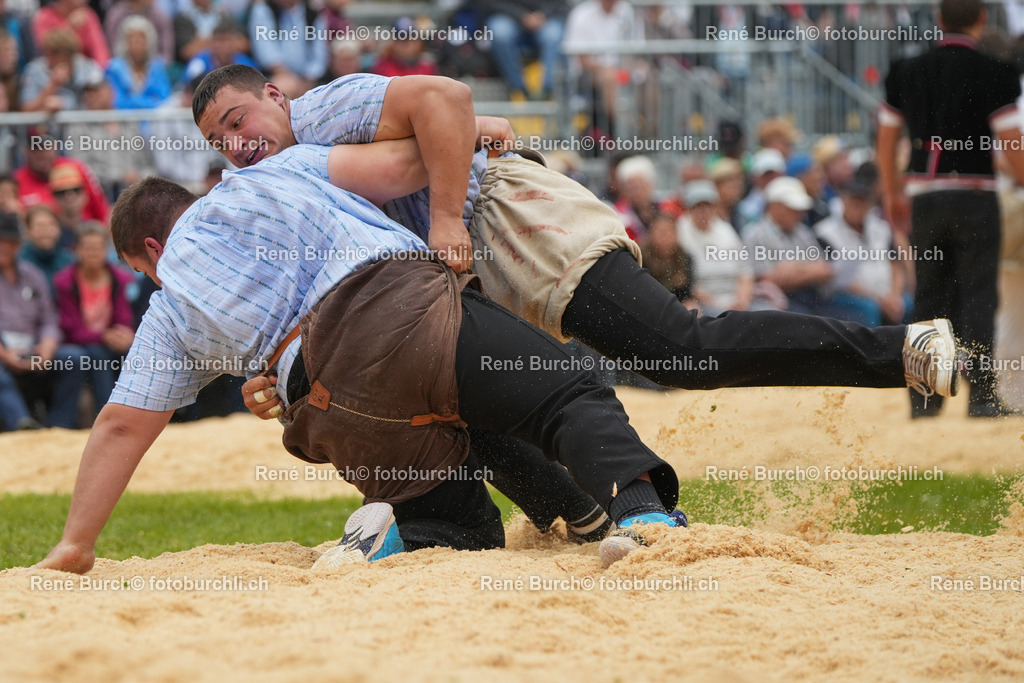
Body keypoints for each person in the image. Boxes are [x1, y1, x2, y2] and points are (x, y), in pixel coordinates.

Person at [33, 148, 687, 575]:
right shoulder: (270, 177)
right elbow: (411, 155)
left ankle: (401, 526)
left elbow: (121, 423)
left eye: (143, 269)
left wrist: (74, 544)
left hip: (330, 409)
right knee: (565, 391)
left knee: (462, 522)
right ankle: (643, 518)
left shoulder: (171, 305)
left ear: (151, 247)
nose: (153, 278)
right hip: (398, 312)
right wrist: (475, 137)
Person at [194, 66, 957, 405]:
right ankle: (609, 506)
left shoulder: (320, 113)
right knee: (481, 396)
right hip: (464, 264)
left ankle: (906, 351)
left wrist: (450, 214)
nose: (238, 142)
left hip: (511, 221)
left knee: (681, 351)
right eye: (220, 141)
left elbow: (447, 94)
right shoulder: (273, 177)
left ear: (273, 94)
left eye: (238, 120)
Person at [877, 0, 1024, 418]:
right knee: (978, 295)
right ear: (982, 19)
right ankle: (981, 398)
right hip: (976, 197)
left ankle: (924, 401)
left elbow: (887, 141)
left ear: (938, 20)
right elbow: (1011, 144)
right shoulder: (995, 72)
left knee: (929, 298)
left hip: (924, 197)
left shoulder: (907, 71)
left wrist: (892, 193)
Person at [51, 223, 136, 428]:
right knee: (96, 355)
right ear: (77, 250)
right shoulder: (65, 282)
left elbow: (123, 316)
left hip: (108, 342)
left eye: (98, 247)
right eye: (87, 247)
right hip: (79, 343)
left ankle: (133, 417)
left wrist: (124, 334)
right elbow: (70, 327)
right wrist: (105, 336)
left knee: (135, 352)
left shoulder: (119, 278)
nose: (93, 253)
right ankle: (106, 416)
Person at [814, 182, 910, 327]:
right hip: (847, 294)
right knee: (869, 309)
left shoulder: (881, 228)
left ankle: (908, 348)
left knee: (908, 303)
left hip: (886, 294)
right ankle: (872, 350)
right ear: (843, 202)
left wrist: (895, 295)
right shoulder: (825, 232)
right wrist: (880, 300)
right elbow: (838, 277)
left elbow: (895, 264)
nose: (858, 208)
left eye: (862, 203)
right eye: (854, 202)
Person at [743, 176, 834, 315]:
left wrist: (794, 268)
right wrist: (809, 270)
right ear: (776, 206)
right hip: (779, 302)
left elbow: (826, 270)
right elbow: (768, 279)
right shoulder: (755, 234)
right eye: (793, 208)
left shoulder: (801, 231)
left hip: (812, 296)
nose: (800, 214)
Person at [676, 180, 756, 316]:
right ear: (689, 208)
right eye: (698, 206)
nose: (703, 211)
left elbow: (745, 272)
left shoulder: (726, 230)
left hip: (735, 299)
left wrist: (742, 301)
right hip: (703, 302)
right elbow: (687, 283)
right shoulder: (680, 233)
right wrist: (721, 305)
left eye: (707, 205)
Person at [479, 0, 568, 100]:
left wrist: (543, 14)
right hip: (508, 15)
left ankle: (548, 91)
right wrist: (521, 15)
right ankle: (518, 89)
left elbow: (560, 3)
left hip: (546, 17)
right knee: (500, 33)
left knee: (553, 36)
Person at [105, 15, 172, 110]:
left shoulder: (157, 67)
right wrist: (146, 102)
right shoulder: (114, 68)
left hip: (153, 122)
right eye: (133, 40)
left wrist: (134, 100)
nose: (137, 45)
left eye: (141, 40)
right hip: (123, 121)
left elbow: (164, 99)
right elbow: (116, 100)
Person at [639, 212, 695, 307]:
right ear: (650, 234)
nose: (666, 237)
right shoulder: (640, 259)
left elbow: (686, 294)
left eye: (670, 231)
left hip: (678, 307)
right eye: (661, 232)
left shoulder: (685, 258)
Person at [19, 204, 74, 288]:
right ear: (28, 230)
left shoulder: (70, 260)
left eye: (50, 225)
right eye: (39, 226)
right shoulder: (19, 260)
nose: (45, 230)